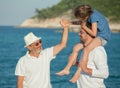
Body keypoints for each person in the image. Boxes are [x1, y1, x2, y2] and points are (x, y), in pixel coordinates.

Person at [56, 4, 111, 83]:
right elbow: (82, 23)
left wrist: (84, 27)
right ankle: (67, 69)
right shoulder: (88, 15)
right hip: (96, 36)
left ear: (84, 16)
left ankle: (78, 73)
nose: (80, 20)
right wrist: (70, 23)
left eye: (80, 18)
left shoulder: (94, 17)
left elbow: (94, 33)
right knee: (76, 47)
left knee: (86, 50)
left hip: (102, 37)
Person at [15, 19, 70, 88]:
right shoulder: (22, 61)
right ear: (29, 47)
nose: (40, 45)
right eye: (36, 44)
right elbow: (19, 83)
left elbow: (62, 45)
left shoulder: (46, 54)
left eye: (40, 42)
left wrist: (65, 28)